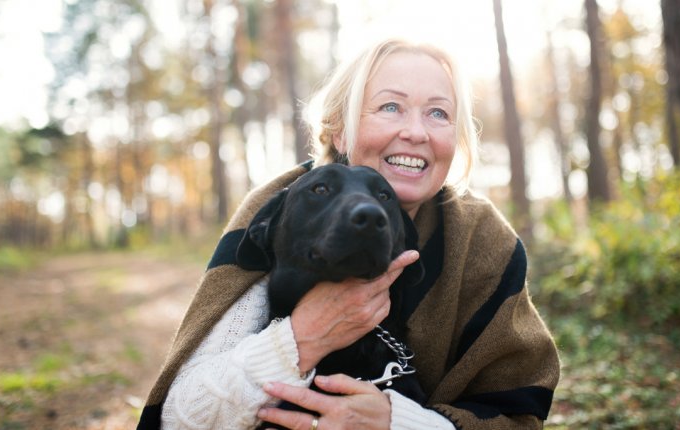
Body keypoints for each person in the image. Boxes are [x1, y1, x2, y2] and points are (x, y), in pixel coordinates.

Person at [137, 38, 560, 430]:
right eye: (391, 107)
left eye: (438, 113)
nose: (416, 131)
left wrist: (398, 422)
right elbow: (179, 417)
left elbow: (518, 416)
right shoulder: (286, 208)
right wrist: (301, 337)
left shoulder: (483, 242)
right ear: (339, 130)